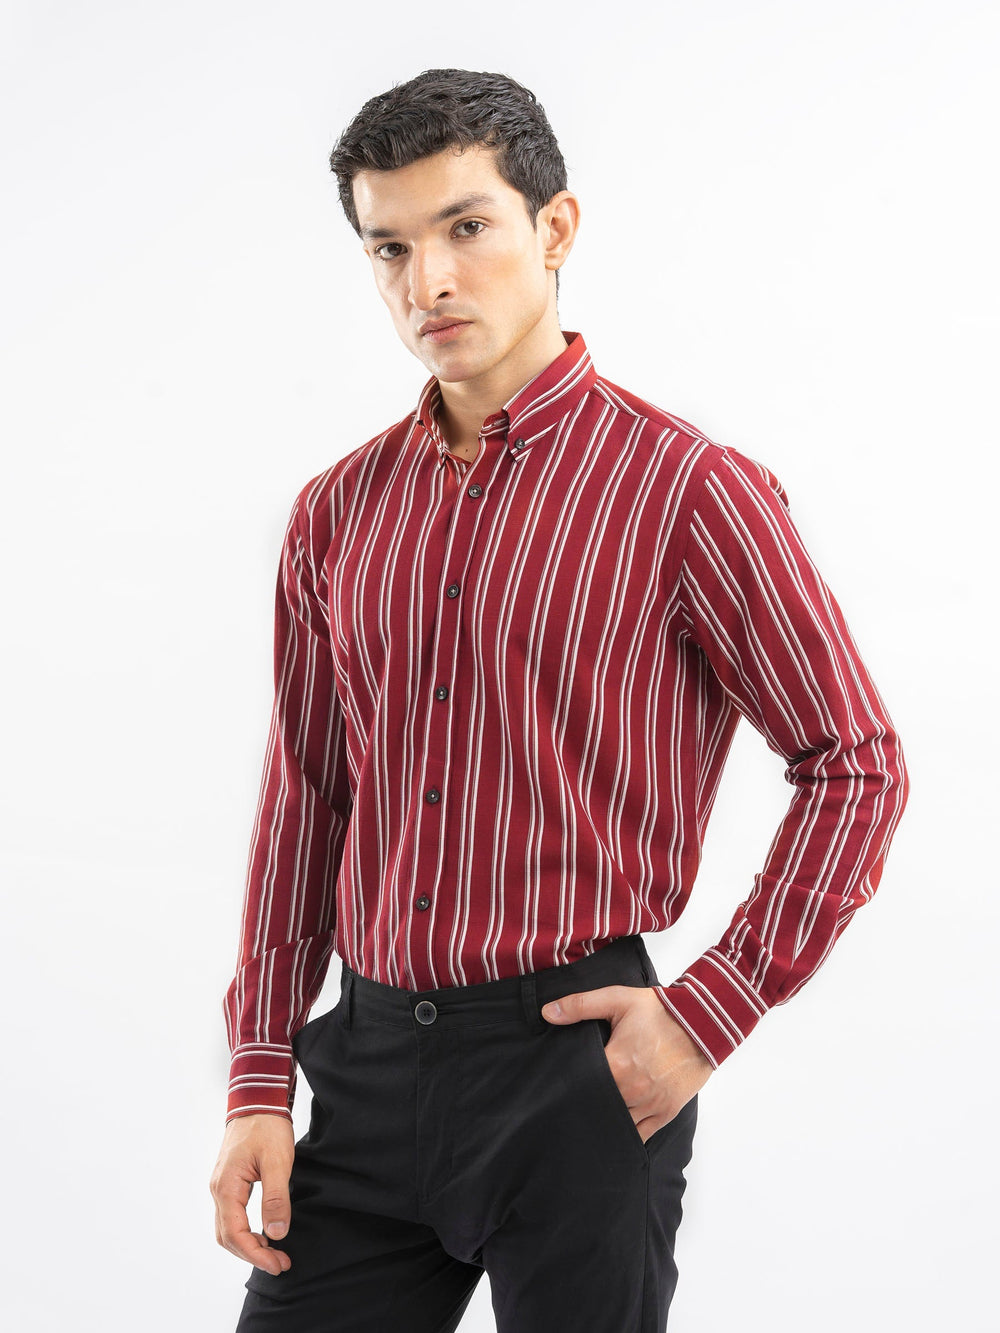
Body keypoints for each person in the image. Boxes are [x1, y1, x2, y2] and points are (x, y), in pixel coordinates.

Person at [209, 68, 909, 1332]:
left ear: (555, 228)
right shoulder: (335, 512)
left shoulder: (688, 491)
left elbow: (854, 761)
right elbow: (307, 796)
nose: (428, 281)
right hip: (364, 1069)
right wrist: (259, 1073)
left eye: (466, 227)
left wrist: (710, 1012)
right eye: (390, 247)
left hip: (577, 1072)